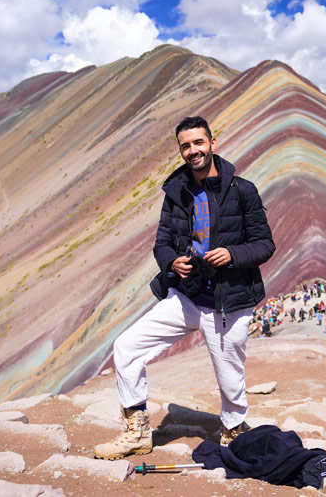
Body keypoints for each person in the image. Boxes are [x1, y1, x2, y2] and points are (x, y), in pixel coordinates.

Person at [94, 116, 275, 460]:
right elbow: (162, 241)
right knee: (127, 346)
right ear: (180, 150)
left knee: (230, 378)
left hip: (228, 303)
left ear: (212, 143)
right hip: (187, 295)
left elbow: (265, 244)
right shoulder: (176, 192)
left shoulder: (242, 190)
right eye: (186, 146)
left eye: (198, 143)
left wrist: (233, 254)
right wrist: (170, 262)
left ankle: (233, 431)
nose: (193, 151)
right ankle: (137, 433)